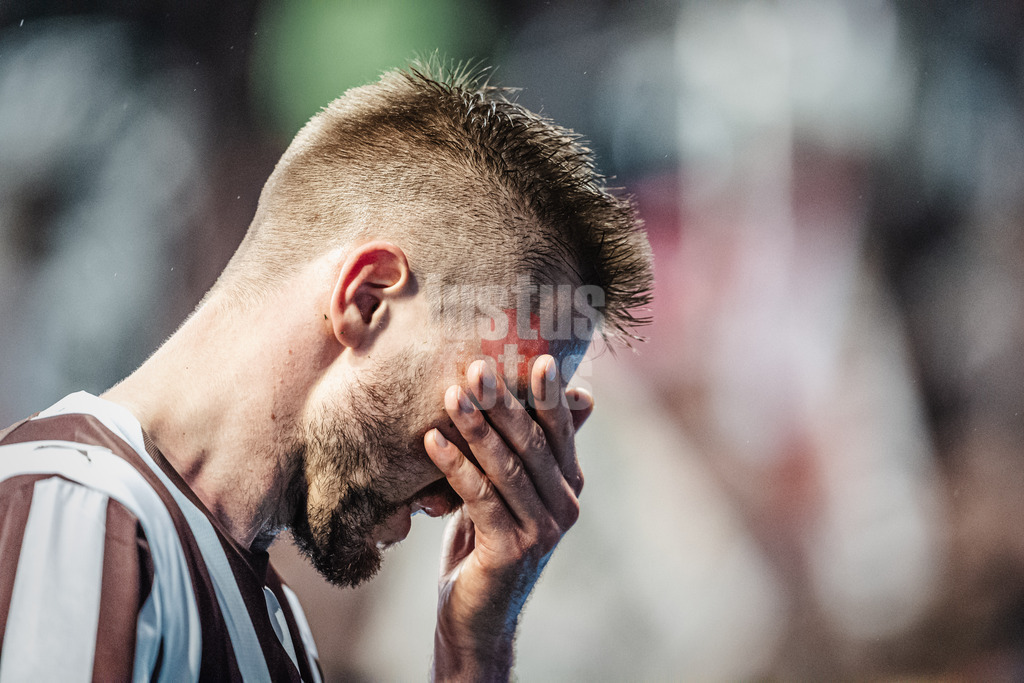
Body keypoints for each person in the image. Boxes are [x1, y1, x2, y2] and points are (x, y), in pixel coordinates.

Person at [0, 63, 653, 681]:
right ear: (366, 298)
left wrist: (473, 653)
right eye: (478, 412)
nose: (465, 493)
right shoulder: (81, 508)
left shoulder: (268, 617)